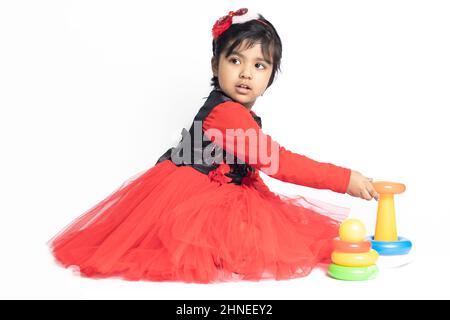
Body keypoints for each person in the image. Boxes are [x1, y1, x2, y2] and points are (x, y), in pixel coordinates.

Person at [48, 8, 378, 283]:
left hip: (221, 189)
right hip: (192, 196)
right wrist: (344, 179)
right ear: (215, 65)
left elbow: (244, 166)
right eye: (235, 61)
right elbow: (279, 161)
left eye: (259, 65)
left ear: (270, 77)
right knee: (245, 240)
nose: (246, 73)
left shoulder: (236, 112)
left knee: (276, 228)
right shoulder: (226, 115)